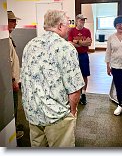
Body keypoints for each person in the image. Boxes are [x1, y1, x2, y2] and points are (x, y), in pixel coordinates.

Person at [20, 9, 85, 147]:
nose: (70, 27)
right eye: (68, 23)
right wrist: (72, 112)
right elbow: (74, 88)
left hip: (33, 113)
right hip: (57, 116)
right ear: (60, 26)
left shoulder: (30, 45)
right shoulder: (65, 48)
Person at [68, 14, 92, 105]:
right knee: (74, 75)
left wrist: (77, 42)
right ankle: (74, 93)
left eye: (83, 20)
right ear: (76, 21)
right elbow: (70, 43)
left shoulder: (87, 31)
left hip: (84, 55)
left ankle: (83, 94)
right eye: (81, 20)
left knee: (84, 75)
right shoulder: (71, 31)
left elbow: (89, 43)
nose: (82, 22)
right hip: (74, 56)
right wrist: (83, 43)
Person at [8, 10, 24, 140]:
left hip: (13, 79)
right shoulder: (4, 40)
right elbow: (9, 62)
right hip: (11, 81)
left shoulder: (8, 37)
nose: (15, 23)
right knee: (13, 105)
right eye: (13, 21)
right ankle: (13, 133)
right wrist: (14, 80)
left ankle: (15, 126)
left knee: (15, 104)